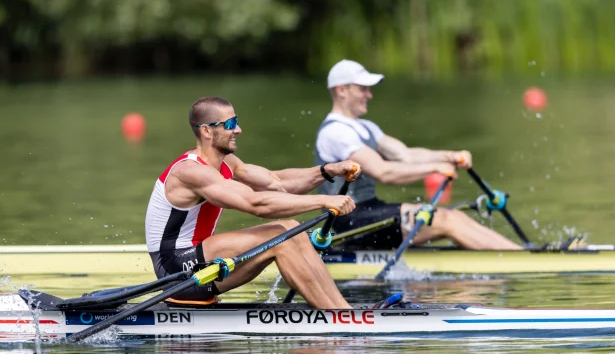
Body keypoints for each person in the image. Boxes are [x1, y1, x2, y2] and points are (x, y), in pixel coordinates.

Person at [145, 96, 360, 309]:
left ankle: (342, 310)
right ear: (207, 131)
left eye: (236, 121)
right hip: (175, 271)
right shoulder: (190, 172)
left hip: (200, 261)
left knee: (292, 228)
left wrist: (327, 170)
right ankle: (337, 317)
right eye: (230, 124)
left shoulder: (227, 163)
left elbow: (277, 181)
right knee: (279, 236)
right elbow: (256, 204)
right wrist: (324, 200)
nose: (238, 129)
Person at [314, 59, 522, 250]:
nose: (369, 95)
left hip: (370, 210)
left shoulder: (365, 127)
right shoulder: (335, 132)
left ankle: (520, 254)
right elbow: (383, 172)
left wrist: (449, 156)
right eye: (363, 89)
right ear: (341, 90)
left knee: (453, 216)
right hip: (349, 221)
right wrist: (433, 168)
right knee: (446, 221)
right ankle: (524, 260)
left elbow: (406, 155)